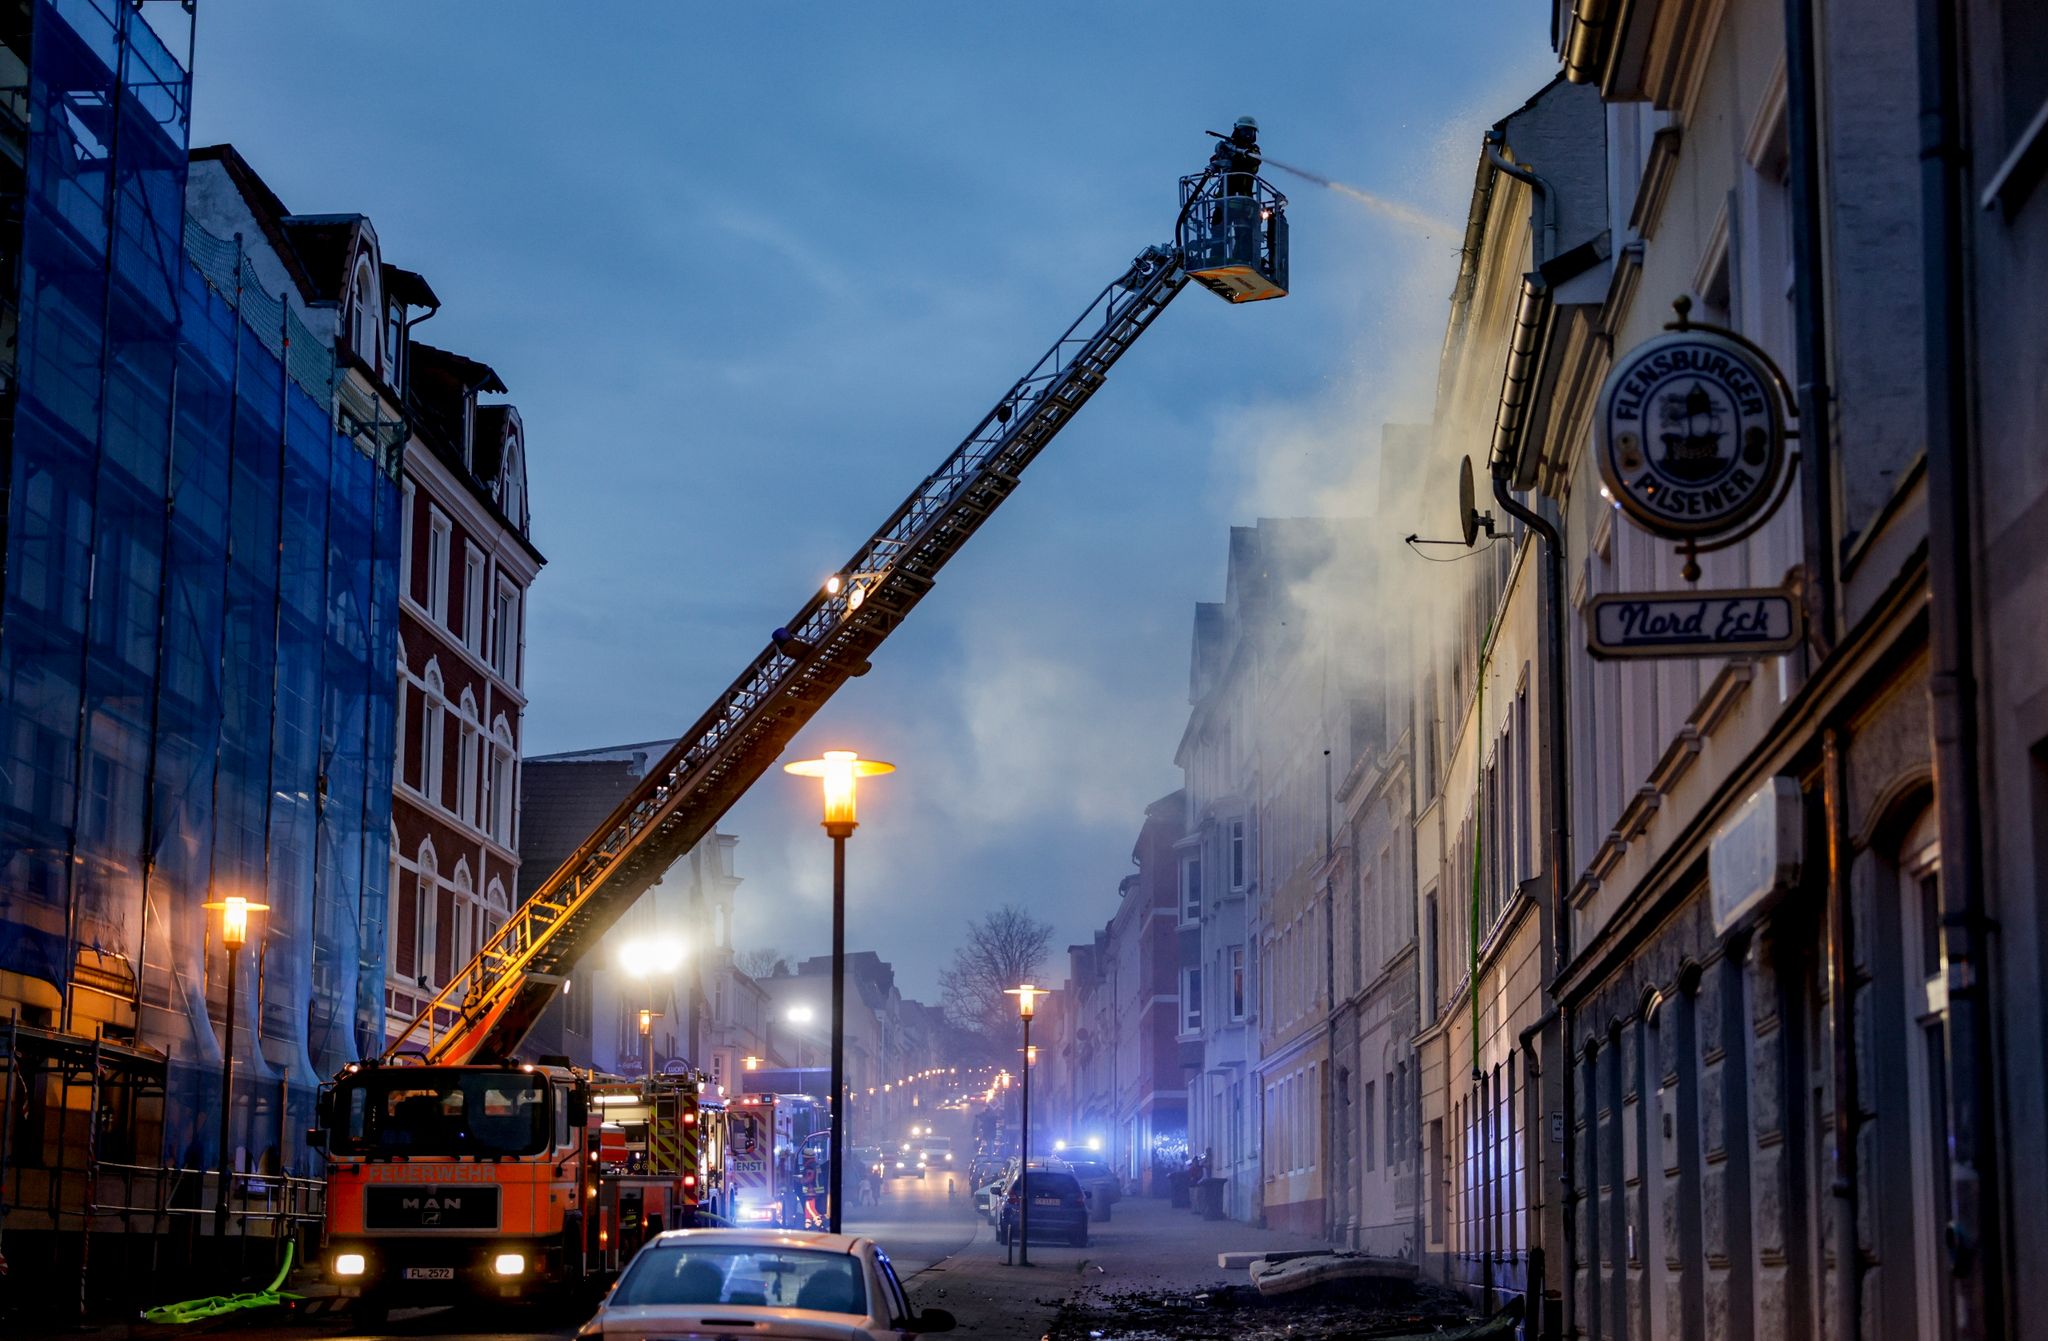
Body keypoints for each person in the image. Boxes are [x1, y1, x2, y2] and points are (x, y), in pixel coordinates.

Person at [1210, 115, 1262, 196]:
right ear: (1238, 131)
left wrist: (1237, 157)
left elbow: (1256, 160)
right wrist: (1221, 151)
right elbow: (1215, 160)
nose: (1247, 135)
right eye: (1245, 131)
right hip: (1226, 194)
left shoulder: (1253, 149)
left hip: (1244, 195)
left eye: (1250, 132)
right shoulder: (1229, 146)